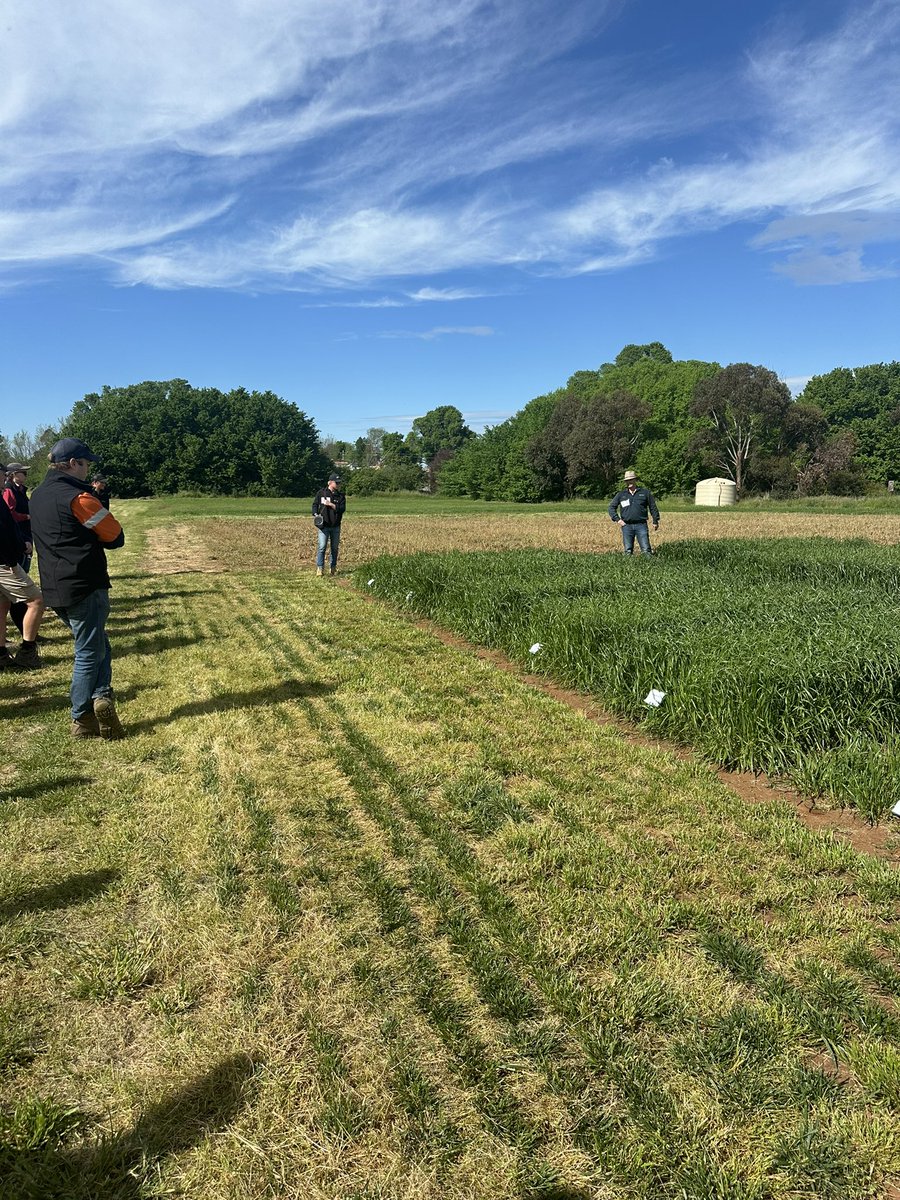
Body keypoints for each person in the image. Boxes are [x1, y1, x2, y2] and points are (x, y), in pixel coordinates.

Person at [30, 438, 126, 738]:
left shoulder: (38, 495)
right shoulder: (80, 498)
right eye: (85, 464)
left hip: (54, 585)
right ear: (72, 463)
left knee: (97, 643)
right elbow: (114, 536)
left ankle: (102, 696)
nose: (87, 471)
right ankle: (82, 717)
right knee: (87, 650)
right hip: (85, 583)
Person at [0, 497, 45, 669]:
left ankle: (1, 655)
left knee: (2, 605)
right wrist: (12, 559)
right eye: (3, 473)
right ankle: (27, 651)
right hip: (4, 563)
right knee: (36, 601)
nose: (5, 476)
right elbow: (3, 531)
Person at [608, 469, 660, 556]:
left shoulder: (645, 493)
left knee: (646, 550)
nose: (629, 482)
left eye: (631, 480)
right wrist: (618, 520)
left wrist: (655, 520)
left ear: (635, 480)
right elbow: (611, 508)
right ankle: (628, 568)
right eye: (627, 480)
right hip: (626, 526)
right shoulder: (621, 494)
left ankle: (649, 567)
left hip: (641, 525)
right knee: (628, 551)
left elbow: (653, 507)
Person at [312, 474, 346, 576]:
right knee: (322, 547)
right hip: (324, 526)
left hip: (335, 526)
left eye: (339, 483)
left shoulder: (340, 496)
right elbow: (315, 505)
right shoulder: (321, 493)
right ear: (330, 482)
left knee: (334, 548)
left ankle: (333, 568)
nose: (339, 484)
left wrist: (331, 504)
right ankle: (320, 568)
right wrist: (315, 514)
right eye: (337, 482)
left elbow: (342, 509)